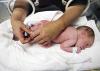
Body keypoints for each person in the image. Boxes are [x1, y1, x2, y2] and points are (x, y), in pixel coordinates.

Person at [11, 0, 88, 46]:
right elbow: (21, 3)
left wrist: (59, 24)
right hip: (31, 21)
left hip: (63, 18)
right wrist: (16, 19)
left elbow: (79, 4)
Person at [29, 20, 95, 53]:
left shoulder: (71, 28)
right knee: (37, 37)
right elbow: (63, 46)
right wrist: (74, 50)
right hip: (47, 33)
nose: (84, 48)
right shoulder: (73, 38)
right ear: (83, 34)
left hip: (48, 25)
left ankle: (33, 26)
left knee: (38, 31)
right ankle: (31, 30)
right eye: (86, 44)